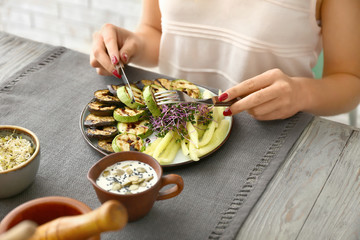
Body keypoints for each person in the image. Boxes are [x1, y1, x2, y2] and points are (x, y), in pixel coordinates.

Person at [90, 0, 360, 121]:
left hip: (270, 135)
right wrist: (131, 45)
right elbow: (156, 33)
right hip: (177, 126)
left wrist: (300, 93)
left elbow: (350, 82)